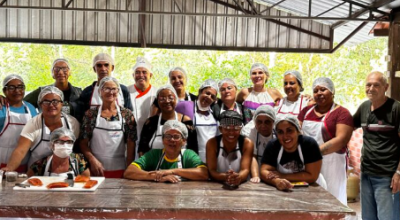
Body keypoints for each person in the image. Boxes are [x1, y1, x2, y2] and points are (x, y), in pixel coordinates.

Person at [298, 77, 353, 205]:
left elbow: (341, 140)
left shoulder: (342, 113)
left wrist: (314, 153)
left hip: (331, 163)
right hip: (307, 162)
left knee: (332, 200)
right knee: (310, 200)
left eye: (323, 89)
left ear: (332, 91)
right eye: (316, 91)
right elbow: (296, 131)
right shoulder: (306, 111)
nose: (319, 93)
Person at [353, 71, 400, 220]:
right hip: (366, 174)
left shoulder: (396, 108)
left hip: (387, 176)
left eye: (376, 85)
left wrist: (399, 173)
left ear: (386, 87)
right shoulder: (364, 107)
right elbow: (347, 126)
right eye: (368, 85)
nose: (371, 88)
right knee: (368, 217)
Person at [1, 86, 80, 172]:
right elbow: (21, 150)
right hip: (36, 173)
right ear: (40, 104)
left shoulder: (72, 123)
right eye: (46, 102)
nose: (51, 105)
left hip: (64, 171)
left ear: (62, 104)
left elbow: (76, 148)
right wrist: (9, 168)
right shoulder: (33, 124)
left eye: (55, 101)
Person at [80, 77, 136, 178]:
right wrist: (92, 161)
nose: (111, 92)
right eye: (107, 89)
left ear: (118, 91)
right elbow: (83, 143)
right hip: (96, 169)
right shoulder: (91, 114)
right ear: (100, 91)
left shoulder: (127, 114)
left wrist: (129, 169)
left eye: (114, 89)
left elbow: (131, 144)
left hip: (120, 168)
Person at [124, 120, 208, 183]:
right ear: (163, 140)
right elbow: (129, 172)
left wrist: (172, 171)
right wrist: (158, 177)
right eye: (168, 136)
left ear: (184, 141)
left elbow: (204, 174)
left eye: (176, 137)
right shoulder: (154, 154)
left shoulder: (188, 155)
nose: (171, 140)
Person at [260, 115, 325, 191]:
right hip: (285, 189)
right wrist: (276, 181)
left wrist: (282, 176)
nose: (285, 136)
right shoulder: (273, 145)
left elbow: (312, 176)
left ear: (298, 131)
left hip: (313, 188)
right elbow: (264, 172)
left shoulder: (309, 144)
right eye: (280, 132)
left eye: (289, 130)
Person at [138, 85, 198, 156]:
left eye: (170, 97)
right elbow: (142, 150)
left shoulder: (186, 121)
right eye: (162, 98)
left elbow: (193, 149)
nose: (167, 101)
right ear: (157, 101)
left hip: (181, 165)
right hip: (154, 166)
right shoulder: (150, 122)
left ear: (176, 99)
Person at [75, 53, 132, 122]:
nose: (103, 68)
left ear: (112, 67)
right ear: (94, 69)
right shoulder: (87, 92)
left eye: (106, 65)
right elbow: (80, 117)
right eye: (99, 65)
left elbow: (129, 116)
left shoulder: (123, 90)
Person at [0, 74, 38, 172]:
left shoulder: (31, 109)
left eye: (20, 87)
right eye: (11, 87)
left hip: (24, 167)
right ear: (4, 91)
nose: (17, 91)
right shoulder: (1, 109)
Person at [206, 110, 253, 186]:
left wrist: (238, 177)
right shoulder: (212, 143)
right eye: (227, 128)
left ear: (240, 129)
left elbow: (245, 170)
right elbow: (212, 171)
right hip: (216, 186)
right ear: (220, 129)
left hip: (241, 187)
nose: (231, 132)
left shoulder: (247, 143)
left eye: (236, 128)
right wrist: (226, 177)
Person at [128, 57, 157, 159]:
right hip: (129, 141)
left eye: (144, 72)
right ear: (133, 75)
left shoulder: (157, 93)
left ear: (150, 75)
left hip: (150, 141)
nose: (141, 75)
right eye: (137, 72)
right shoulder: (126, 92)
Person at [241, 105, 276, 183]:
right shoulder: (252, 132)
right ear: (255, 122)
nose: (263, 125)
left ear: (273, 122)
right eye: (259, 122)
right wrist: (256, 176)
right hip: (257, 168)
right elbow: (253, 156)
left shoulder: (278, 133)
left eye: (267, 122)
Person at [193, 79, 219, 162]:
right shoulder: (188, 109)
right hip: (193, 156)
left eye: (212, 97)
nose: (209, 97)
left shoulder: (215, 114)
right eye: (207, 93)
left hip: (212, 157)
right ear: (200, 92)